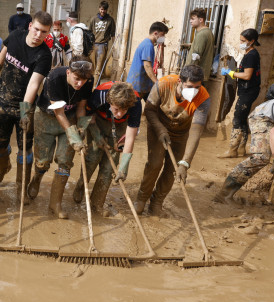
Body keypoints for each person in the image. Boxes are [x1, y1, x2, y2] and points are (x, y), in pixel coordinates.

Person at [0, 10, 53, 190]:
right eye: (37, 29)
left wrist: (24, 112)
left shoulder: (44, 55)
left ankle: (20, 185)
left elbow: (34, 84)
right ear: (30, 26)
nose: (39, 35)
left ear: (48, 32)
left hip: (25, 107)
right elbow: (4, 51)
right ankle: (3, 169)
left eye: (44, 32)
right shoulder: (15, 35)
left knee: (25, 148)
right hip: (2, 100)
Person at [134, 65, 211, 215]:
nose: (194, 90)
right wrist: (160, 129)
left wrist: (186, 162)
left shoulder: (203, 97)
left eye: (197, 87)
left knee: (173, 170)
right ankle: (141, 198)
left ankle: (156, 203)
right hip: (158, 127)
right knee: (155, 163)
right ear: (179, 82)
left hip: (181, 133)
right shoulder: (163, 84)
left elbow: (196, 130)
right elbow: (148, 110)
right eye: (189, 86)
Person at [27, 59, 94, 217]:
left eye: (83, 80)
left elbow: (81, 107)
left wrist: (82, 127)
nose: (80, 83)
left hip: (70, 118)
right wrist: (73, 136)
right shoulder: (54, 77)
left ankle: (55, 204)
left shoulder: (88, 81)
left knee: (65, 162)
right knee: (43, 161)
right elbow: (58, 112)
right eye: (76, 79)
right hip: (46, 117)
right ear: (68, 73)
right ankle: (37, 177)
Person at [72, 81, 143, 215]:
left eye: (124, 110)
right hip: (97, 120)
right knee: (92, 158)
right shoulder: (99, 95)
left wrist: (123, 168)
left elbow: (130, 136)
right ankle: (82, 184)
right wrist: (96, 135)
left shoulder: (136, 103)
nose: (119, 113)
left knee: (110, 167)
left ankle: (97, 203)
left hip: (121, 127)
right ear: (109, 101)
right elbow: (87, 116)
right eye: (116, 109)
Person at [218, 29, 262, 157]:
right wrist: (233, 70)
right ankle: (241, 148)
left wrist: (230, 73)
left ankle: (232, 150)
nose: (241, 43)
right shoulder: (249, 53)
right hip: (248, 90)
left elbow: (247, 75)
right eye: (240, 40)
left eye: (243, 41)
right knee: (242, 119)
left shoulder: (251, 55)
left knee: (237, 119)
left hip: (248, 91)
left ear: (252, 41)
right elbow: (244, 70)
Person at [126, 22, 168, 100]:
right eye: (162, 35)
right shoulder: (148, 45)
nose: (163, 37)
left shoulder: (148, 43)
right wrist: (157, 82)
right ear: (155, 33)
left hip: (143, 84)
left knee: (153, 105)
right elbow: (147, 66)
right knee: (134, 108)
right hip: (138, 85)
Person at [184, 8, 215, 79]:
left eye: (193, 19)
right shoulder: (208, 32)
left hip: (195, 76)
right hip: (200, 74)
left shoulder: (202, 34)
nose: (190, 21)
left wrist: (188, 74)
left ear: (201, 20)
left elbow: (196, 56)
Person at [89, 1, 116, 81]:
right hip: (93, 45)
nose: (103, 11)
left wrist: (114, 46)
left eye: (104, 9)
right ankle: (90, 84)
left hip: (103, 45)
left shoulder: (110, 20)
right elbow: (89, 33)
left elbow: (113, 34)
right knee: (92, 67)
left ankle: (95, 87)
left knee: (98, 68)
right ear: (99, 8)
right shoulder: (93, 19)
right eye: (101, 9)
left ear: (107, 10)